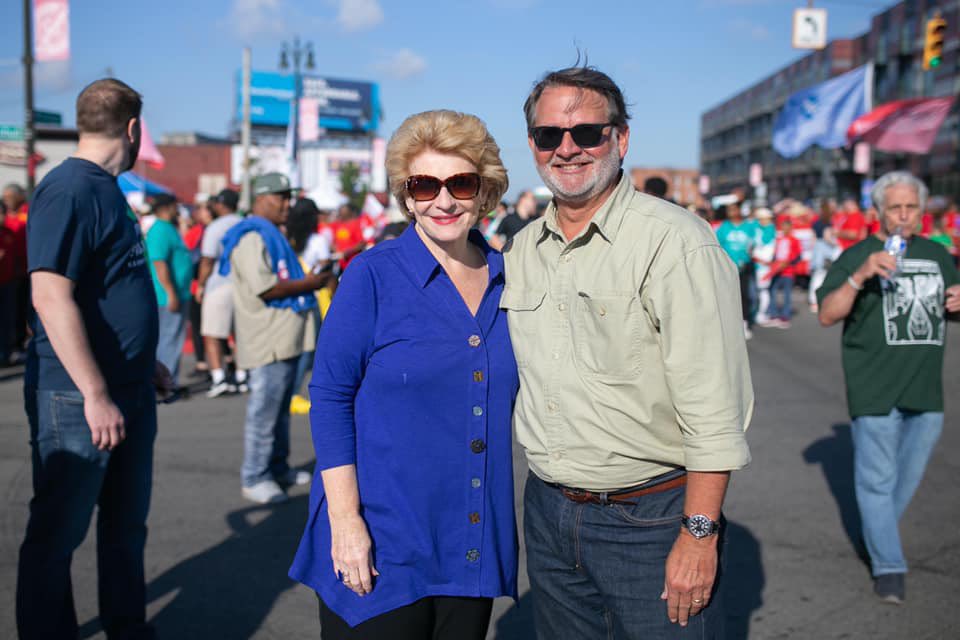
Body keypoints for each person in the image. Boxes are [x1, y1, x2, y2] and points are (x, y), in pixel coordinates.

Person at [502, 65, 752, 639]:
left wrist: (698, 531)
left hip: (652, 518)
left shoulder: (676, 242)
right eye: (548, 136)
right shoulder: (521, 250)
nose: (567, 149)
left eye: (587, 133)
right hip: (548, 511)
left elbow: (716, 406)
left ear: (621, 138)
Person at [290, 109, 517, 640]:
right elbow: (329, 397)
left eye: (460, 183)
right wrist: (346, 525)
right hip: (381, 538)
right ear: (405, 194)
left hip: (470, 540)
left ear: (485, 193)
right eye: (424, 185)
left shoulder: (513, 282)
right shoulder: (371, 275)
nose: (442, 200)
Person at [16, 77, 173, 640]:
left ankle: (127, 628)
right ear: (133, 129)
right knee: (57, 536)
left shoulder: (106, 189)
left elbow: (105, 290)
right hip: (76, 396)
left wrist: (140, 363)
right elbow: (49, 295)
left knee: (125, 529)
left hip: (125, 387)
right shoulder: (71, 189)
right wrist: (96, 393)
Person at [817, 171, 960, 604]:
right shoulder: (858, 253)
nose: (903, 215)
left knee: (905, 480)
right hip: (874, 387)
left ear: (922, 212)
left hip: (926, 389)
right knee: (877, 483)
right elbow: (826, 314)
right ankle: (889, 566)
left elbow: (949, 308)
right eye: (894, 207)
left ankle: (877, 534)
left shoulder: (938, 255)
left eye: (911, 207)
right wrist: (861, 274)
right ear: (877, 212)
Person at [219, 173, 330, 504]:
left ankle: (277, 468)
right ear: (259, 199)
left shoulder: (272, 235)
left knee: (280, 410)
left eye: (288, 197)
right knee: (264, 412)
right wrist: (313, 283)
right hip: (268, 338)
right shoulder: (251, 236)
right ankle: (255, 476)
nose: (287, 204)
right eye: (280, 197)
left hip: (287, 336)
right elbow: (267, 287)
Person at [285, 197, 333, 415]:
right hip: (314, 296)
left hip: (290, 295)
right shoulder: (317, 240)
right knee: (311, 348)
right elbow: (324, 268)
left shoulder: (287, 238)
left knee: (292, 346)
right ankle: (295, 395)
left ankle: (288, 392)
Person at [197, 188, 245, 397]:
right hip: (245, 284)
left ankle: (220, 378)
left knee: (212, 333)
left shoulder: (216, 227)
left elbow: (207, 260)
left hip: (220, 283)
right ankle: (242, 375)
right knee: (242, 333)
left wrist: (200, 284)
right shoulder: (246, 223)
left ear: (221, 205)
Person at [145, 193, 193, 387]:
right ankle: (165, 383)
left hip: (176, 293)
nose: (178, 211)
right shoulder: (160, 230)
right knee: (169, 339)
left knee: (171, 338)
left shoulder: (167, 229)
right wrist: (171, 292)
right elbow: (159, 263)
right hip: (167, 297)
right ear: (167, 208)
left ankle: (166, 380)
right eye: (175, 206)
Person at [716, 199, 759, 339]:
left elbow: (755, 243)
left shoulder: (749, 227)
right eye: (729, 210)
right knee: (728, 296)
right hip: (728, 267)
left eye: (734, 209)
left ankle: (745, 322)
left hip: (745, 266)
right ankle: (729, 323)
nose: (731, 213)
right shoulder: (724, 227)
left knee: (745, 295)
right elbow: (718, 245)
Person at [762, 216, 803, 328]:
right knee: (772, 291)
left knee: (786, 294)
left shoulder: (794, 240)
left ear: (790, 228)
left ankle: (785, 316)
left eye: (786, 227)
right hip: (776, 271)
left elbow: (798, 256)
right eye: (783, 227)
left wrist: (788, 263)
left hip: (788, 272)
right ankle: (773, 314)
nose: (784, 229)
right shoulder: (778, 240)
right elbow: (774, 254)